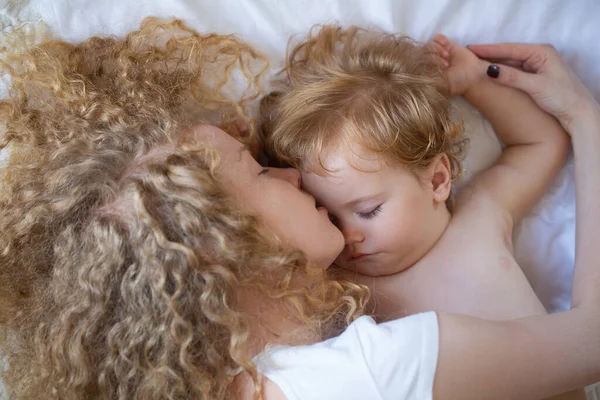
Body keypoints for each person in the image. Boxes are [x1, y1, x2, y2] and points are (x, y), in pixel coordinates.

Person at [1, 19, 599, 400]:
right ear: (226, 242)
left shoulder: (259, 372)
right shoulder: (366, 368)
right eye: (262, 171)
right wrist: (585, 114)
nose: (291, 176)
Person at [260, 25, 569, 324]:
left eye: (369, 211)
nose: (347, 236)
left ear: (437, 180)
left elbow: (541, 142)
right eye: (329, 219)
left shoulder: (480, 214)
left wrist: (473, 82)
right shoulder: (343, 285)